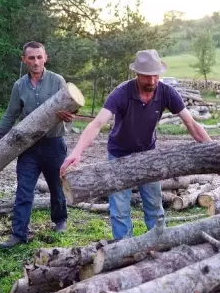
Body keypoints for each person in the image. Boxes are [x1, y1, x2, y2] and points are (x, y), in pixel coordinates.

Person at [59, 49, 212, 239]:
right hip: (119, 156)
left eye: (156, 76)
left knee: (154, 206)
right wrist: (77, 151)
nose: (152, 81)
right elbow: (97, 123)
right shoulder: (122, 93)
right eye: (147, 77)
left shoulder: (166, 92)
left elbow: (191, 123)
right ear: (137, 74)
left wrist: (212, 149)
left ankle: (158, 243)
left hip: (148, 155)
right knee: (120, 209)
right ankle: (125, 250)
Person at [0, 41, 74, 249]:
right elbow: (10, 114)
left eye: (39, 57)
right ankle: (18, 233)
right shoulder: (19, 86)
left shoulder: (57, 80)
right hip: (27, 146)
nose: (36, 62)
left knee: (56, 186)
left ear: (45, 57)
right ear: (24, 60)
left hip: (54, 144)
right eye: (31, 58)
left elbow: (71, 111)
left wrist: (68, 118)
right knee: (24, 191)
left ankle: (60, 221)